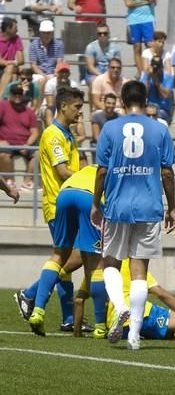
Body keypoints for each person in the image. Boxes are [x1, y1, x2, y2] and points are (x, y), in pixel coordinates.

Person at [91, 80, 175, 350]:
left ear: (121, 100)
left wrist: (96, 202)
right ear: (147, 99)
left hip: (117, 205)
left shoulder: (110, 128)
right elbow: (167, 171)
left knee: (110, 264)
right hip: (149, 206)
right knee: (140, 272)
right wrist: (172, 206)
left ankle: (120, 307)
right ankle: (134, 337)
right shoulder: (159, 129)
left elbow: (102, 170)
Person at [22, 88, 84, 336]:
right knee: (73, 256)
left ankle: (69, 317)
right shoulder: (53, 135)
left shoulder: (67, 134)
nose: (81, 111)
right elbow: (62, 172)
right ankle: (30, 294)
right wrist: (91, 179)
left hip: (69, 202)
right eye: (78, 107)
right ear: (65, 106)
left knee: (66, 255)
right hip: (58, 204)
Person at [27, 165, 109, 339]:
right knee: (96, 263)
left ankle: (38, 310)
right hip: (89, 198)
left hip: (64, 194)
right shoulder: (115, 172)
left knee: (59, 254)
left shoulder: (88, 168)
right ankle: (101, 326)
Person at [122, 0, 159, 76]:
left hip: (148, 18)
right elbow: (128, 3)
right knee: (137, 47)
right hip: (134, 20)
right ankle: (141, 73)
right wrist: (145, 2)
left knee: (150, 46)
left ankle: (153, 71)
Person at [0, 86, 39, 191]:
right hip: (6, 143)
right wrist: (1, 141)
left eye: (19, 94)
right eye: (14, 93)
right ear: (10, 95)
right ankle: (10, 180)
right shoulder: (2, 106)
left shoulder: (29, 111)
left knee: (38, 154)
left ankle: (27, 182)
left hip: (24, 144)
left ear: (22, 95)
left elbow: (35, 132)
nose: (17, 96)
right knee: (3, 153)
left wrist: (27, 144)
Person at [28, 20, 64, 87]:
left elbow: (59, 63)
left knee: (56, 82)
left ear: (52, 33)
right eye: (44, 33)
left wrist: (55, 73)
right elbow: (33, 66)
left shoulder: (59, 44)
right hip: (38, 73)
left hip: (53, 72)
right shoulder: (33, 45)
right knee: (41, 80)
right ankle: (40, 98)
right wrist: (44, 76)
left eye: (48, 33)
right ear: (40, 33)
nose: (46, 35)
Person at [141, 55, 174, 124]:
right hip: (149, 108)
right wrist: (148, 78)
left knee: (156, 116)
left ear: (162, 67)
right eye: (154, 67)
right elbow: (143, 95)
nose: (156, 69)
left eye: (158, 67)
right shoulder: (146, 77)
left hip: (163, 110)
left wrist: (157, 83)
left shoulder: (169, 78)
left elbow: (165, 95)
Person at [0, 18, 24, 96]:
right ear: (8, 28)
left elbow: (21, 60)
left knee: (10, 68)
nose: (17, 30)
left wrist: (12, 63)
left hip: (11, 67)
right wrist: (9, 62)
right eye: (15, 28)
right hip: (4, 66)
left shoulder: (17, 39)